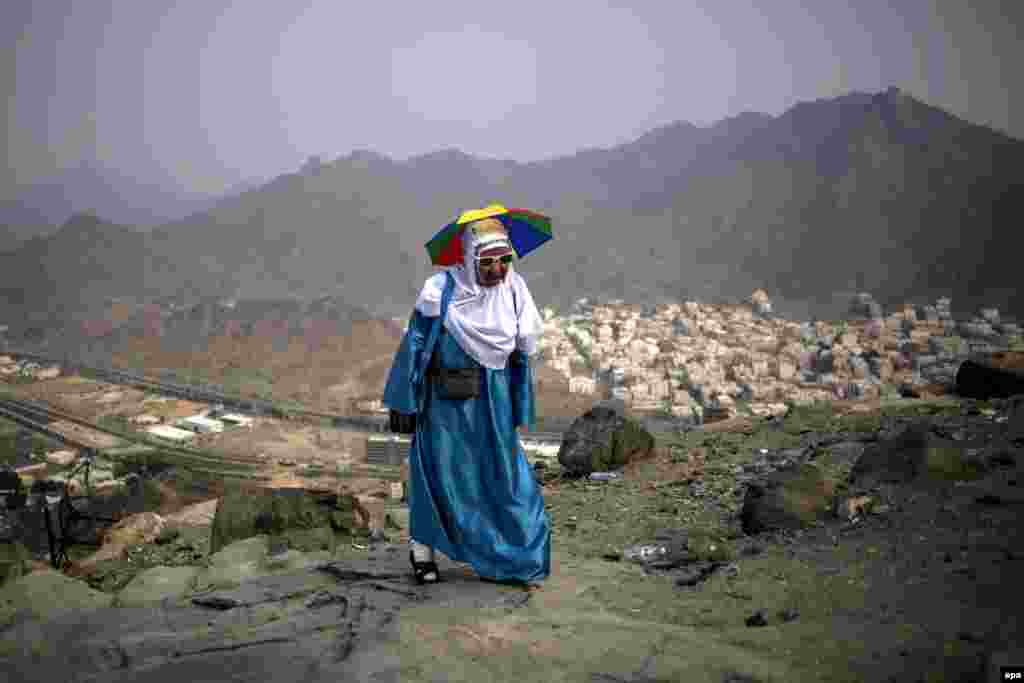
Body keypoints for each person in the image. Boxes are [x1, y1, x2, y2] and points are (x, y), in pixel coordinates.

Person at [383, 217, 550, 588]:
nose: (496, 269)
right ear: (470, 257)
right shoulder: (441, 289)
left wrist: (520, 404)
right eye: (487, 261)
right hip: (444, 403)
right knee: (439, 473)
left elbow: (523, 353)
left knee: (505, 478)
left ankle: (515, 555)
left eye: (504, 259)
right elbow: (415, 343)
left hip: (494, 402)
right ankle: (421, 550)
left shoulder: (514, 291)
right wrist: (403, 399)